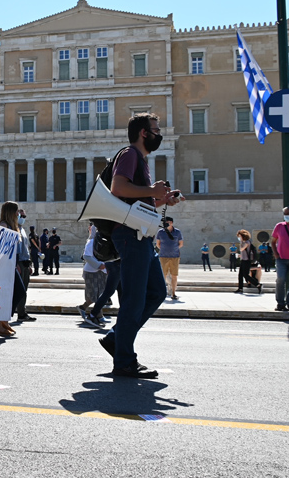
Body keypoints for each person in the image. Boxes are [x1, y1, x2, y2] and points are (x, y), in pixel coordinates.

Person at [98, 113, 181, 379]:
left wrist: (160, 199)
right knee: (134, 299)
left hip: (140, 235)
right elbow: (118, 188)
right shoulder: (130, 154)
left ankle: (115, 338)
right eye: (155, 130)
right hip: (129, 236)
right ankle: (124, 361)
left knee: (156, 292)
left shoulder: (141, 160)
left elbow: (137, 203)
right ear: (144, 133)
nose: (159, 134)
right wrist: (152, 191)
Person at [0, 201, 25, 337]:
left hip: (12, 263)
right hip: (5, 265)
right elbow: (2, 248)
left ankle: (3, 322)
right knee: (19, 292)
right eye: (16, 211)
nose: (18, 214)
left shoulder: (12, 226)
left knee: (13, 293)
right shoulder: (4, 225)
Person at [78, 226, 107, 329]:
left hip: (101, 272)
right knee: (95, 295)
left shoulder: (103, 242)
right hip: (91, 272)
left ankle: (83, 308)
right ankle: (98, 316)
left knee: (100, 294)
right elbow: (87, 256)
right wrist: (99, 265)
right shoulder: (92, 242)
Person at [155, 217, 183, 300]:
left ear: (172, 223)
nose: (166, 224)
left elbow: (181, 243)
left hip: (175, 257)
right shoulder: (160, 232)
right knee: (163, 275)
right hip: (163, 256)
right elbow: (158, 244)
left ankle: (173, 293)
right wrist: (164, 250)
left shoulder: (177, 232)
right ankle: (162, 293)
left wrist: (174, 249)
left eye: (168, 222)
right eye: (165, 223)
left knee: (174, 275)